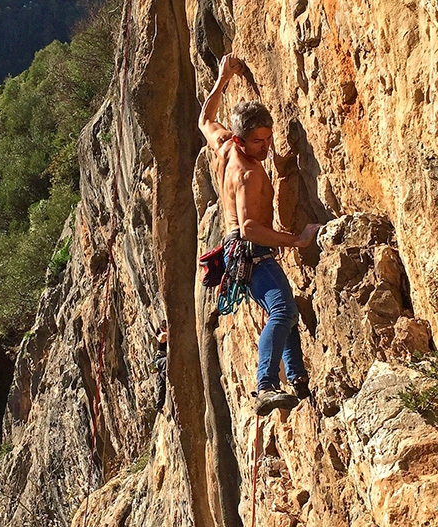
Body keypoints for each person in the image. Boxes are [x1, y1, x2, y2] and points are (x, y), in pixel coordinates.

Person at [198, 53, 321, 416]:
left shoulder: (223, 145)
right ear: (240, 139)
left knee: (281, 311)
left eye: (268, 139)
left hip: (239, 252)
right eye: (257, 141)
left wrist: (222, 79)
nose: (265, 148)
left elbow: (205, 118)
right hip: (251, 250)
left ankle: (298, 379)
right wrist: (296, 240)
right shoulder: (248, 174)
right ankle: (265, 386)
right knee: (282, 310)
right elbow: (251, 227)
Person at [152, 320, 168, 411]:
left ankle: (159, 405)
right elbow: (162, 337)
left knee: (162, 385)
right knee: (166, 362)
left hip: (160, 364)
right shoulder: (161, 336)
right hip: (159, 360)